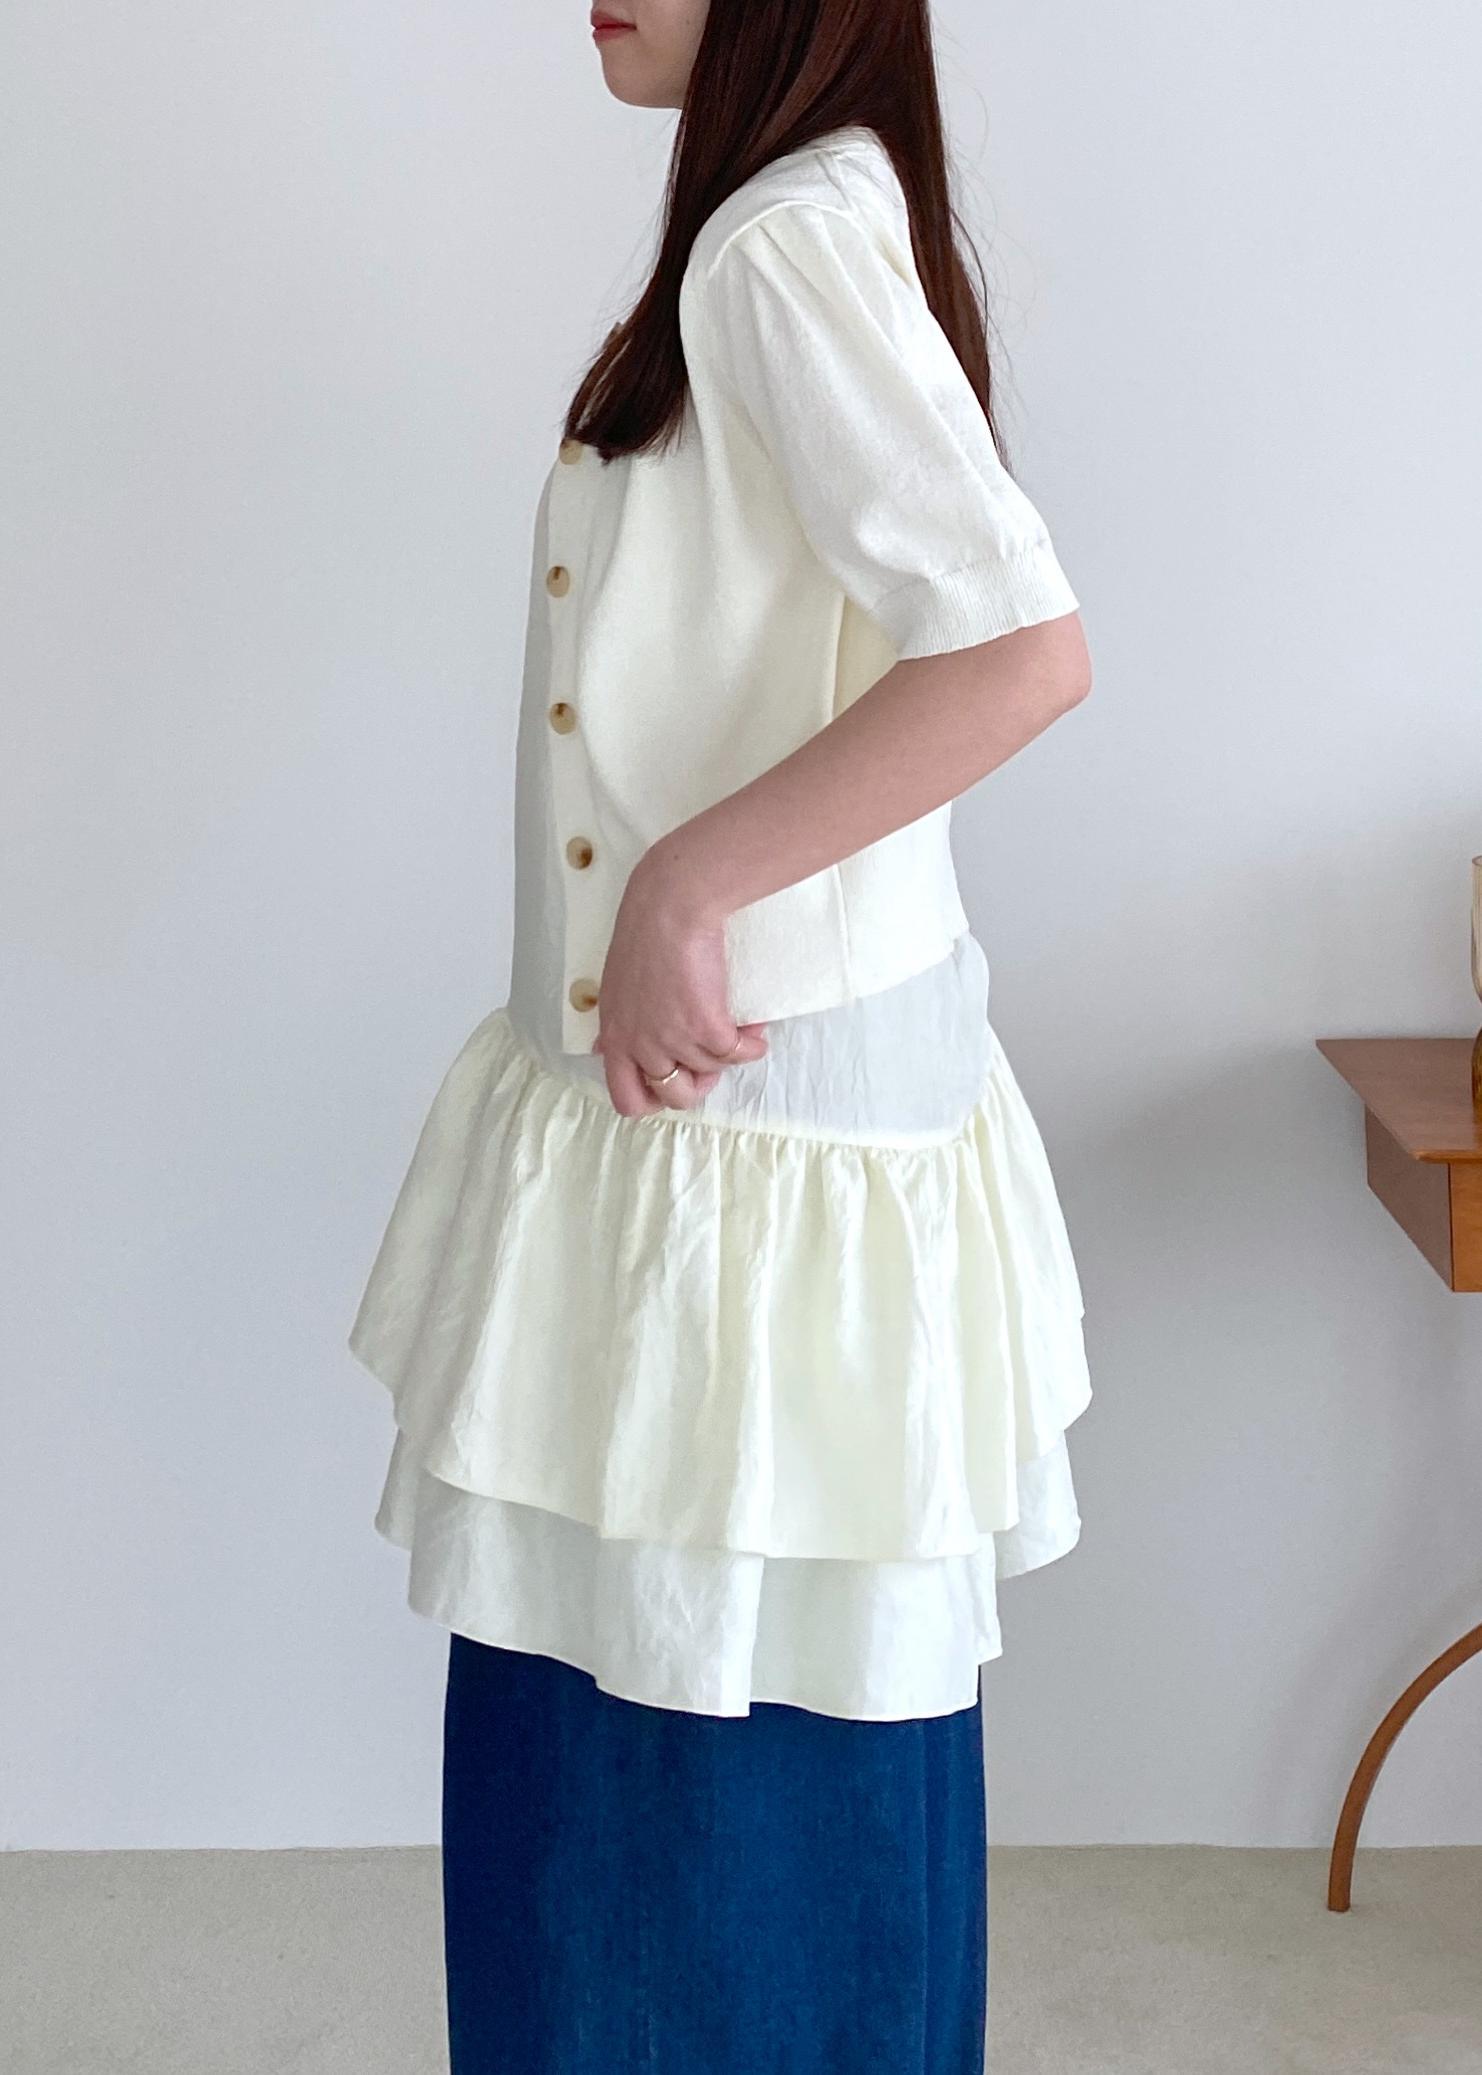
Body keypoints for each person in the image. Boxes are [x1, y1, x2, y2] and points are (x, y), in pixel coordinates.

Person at [347, 3, 1094, 2068]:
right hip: (737, 1153)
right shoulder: (797, 218)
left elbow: (1020, 647)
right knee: (736, 1791)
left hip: (743, 1160)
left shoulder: (781, 240)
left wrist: (690, 884)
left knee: (672, 1819)